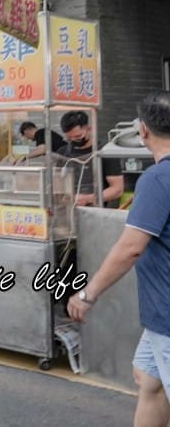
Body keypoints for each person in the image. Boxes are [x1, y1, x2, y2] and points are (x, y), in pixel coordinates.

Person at [68, 92, 170, 426]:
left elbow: (131, 247)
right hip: (159, 318)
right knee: (148, 380)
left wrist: (88, 293)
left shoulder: (157, 179)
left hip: (168, 315)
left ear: (142, 131)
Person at [56, 110, 124, 208]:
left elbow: (117, 189)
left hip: (97, 212)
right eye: (70, 138)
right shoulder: (62, 153)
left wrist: (88, 198)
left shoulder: (105, 152)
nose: (74, 140)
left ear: (89, 129)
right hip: (68, 210)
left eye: (78, 137)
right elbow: (57, 186)